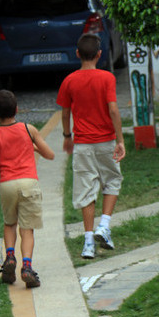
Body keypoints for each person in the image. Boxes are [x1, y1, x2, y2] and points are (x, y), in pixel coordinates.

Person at [0, 89, 55, 288]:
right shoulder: (29, 129)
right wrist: (33, 146)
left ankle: (10, 257)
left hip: (7, 185)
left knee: (10, 224)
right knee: (27, 229)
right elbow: (50, 154)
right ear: (17, 109)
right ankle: (26, 267)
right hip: (29, 183)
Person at [56, 33, 126, 259]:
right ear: (99, 55)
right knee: (112, 180)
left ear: (77, 54)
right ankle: (104, 226)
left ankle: (88, 243)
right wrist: (120, 139)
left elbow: (65, 112)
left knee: (86, 189)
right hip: (106, 141)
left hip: (83, 144)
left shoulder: (69, 81)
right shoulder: (107, 78)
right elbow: (113, 109)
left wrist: (68, 135)